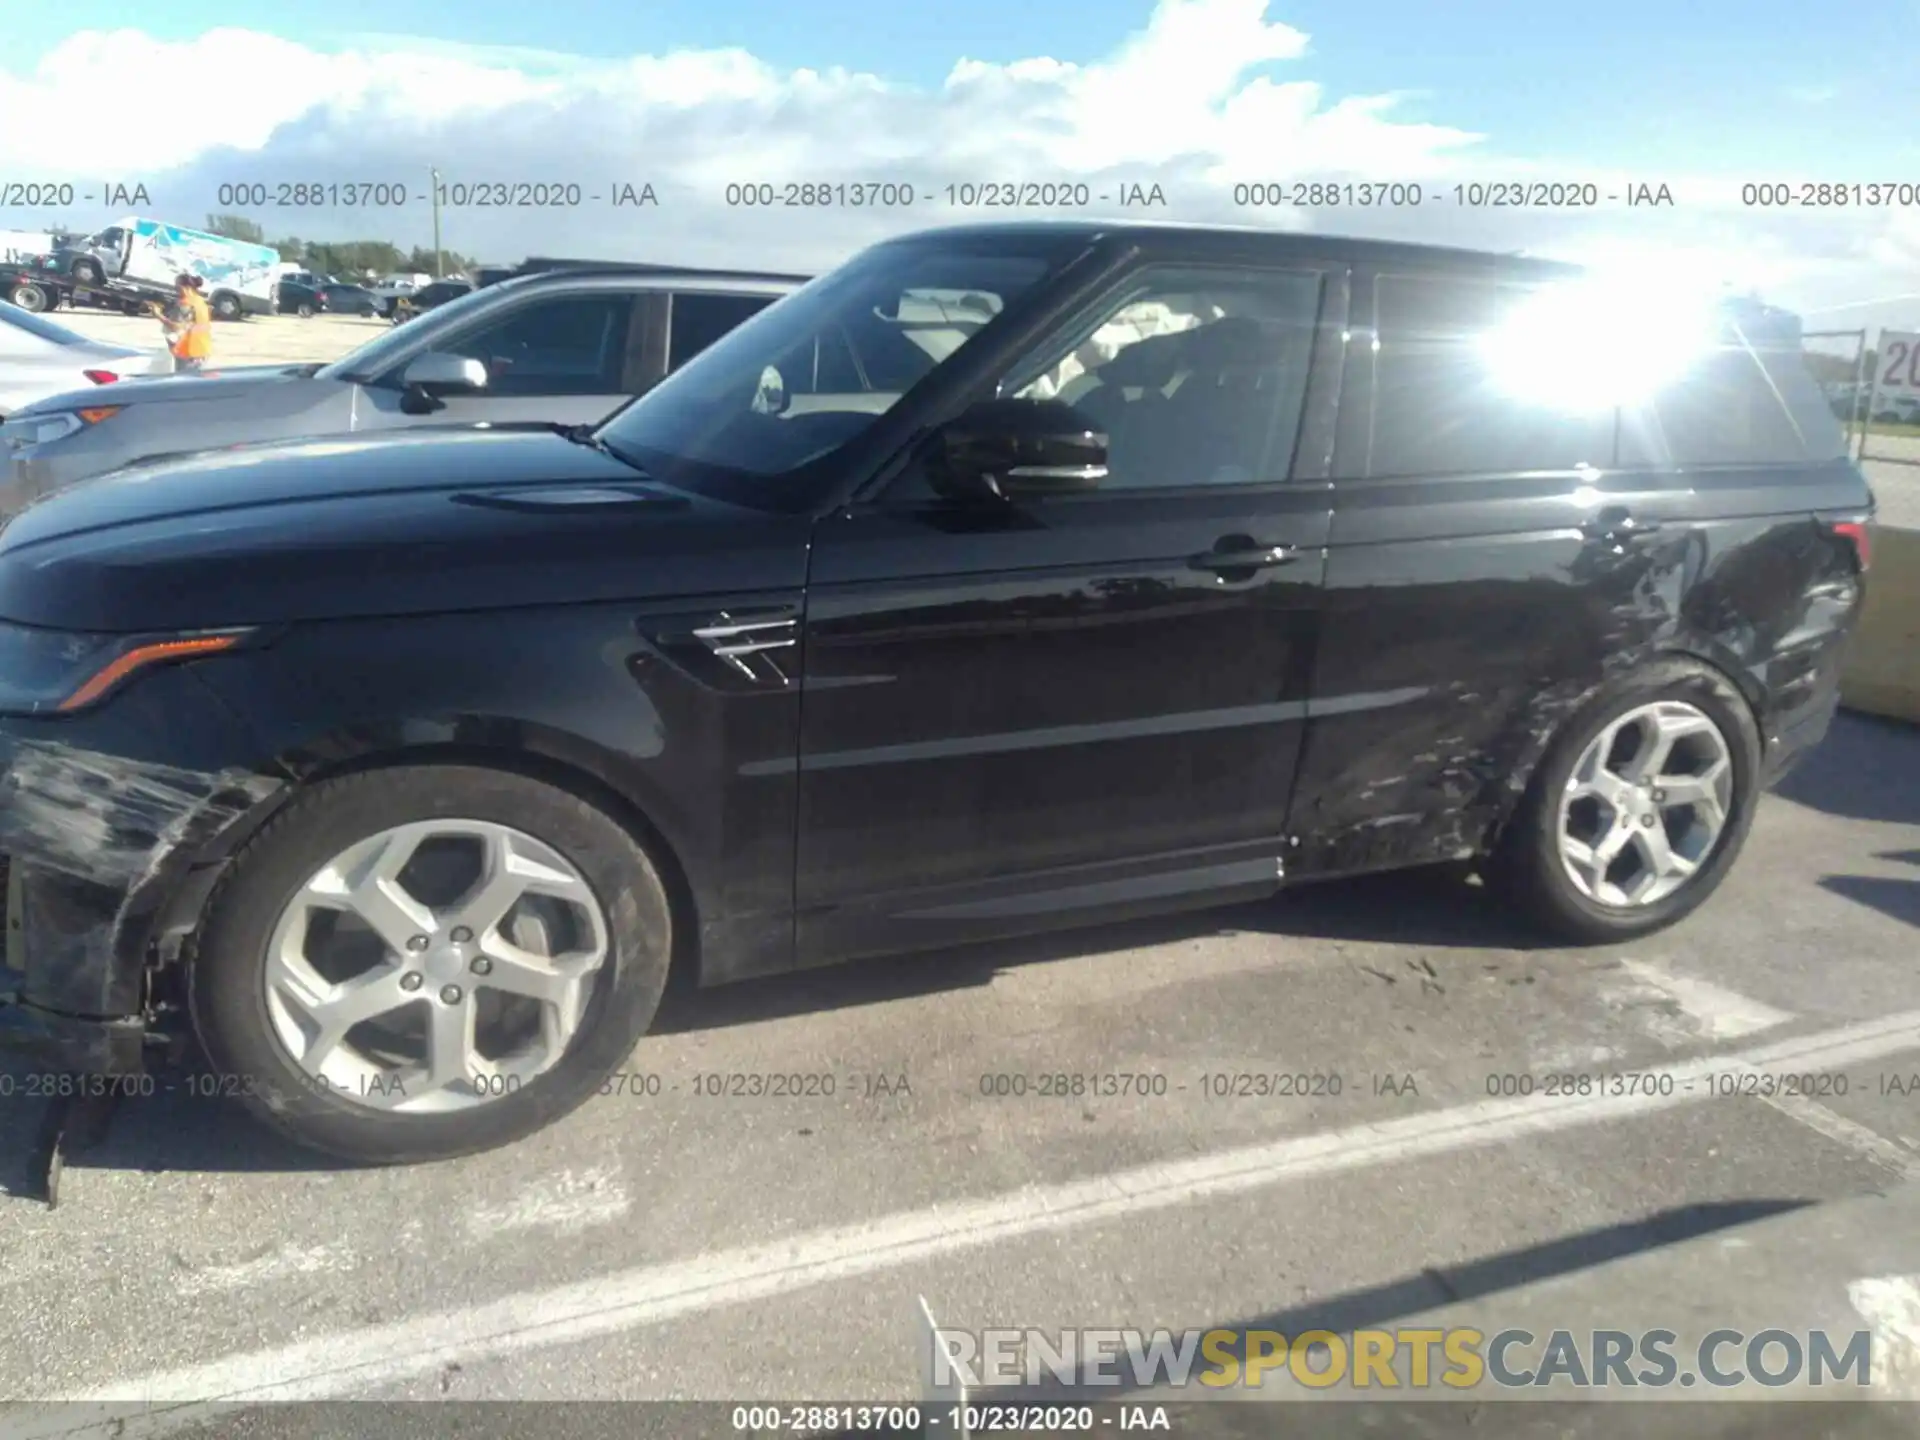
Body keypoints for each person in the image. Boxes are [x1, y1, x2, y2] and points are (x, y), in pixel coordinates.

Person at [155, 273, 212, 372]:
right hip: (202, 349)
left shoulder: (185, 303)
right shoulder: (200, 301)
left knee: (184, 383)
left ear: (186, 287)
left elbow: (176, 327)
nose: (176, 289)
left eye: (177, 286)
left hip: (188, 353)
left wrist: (158, 314)